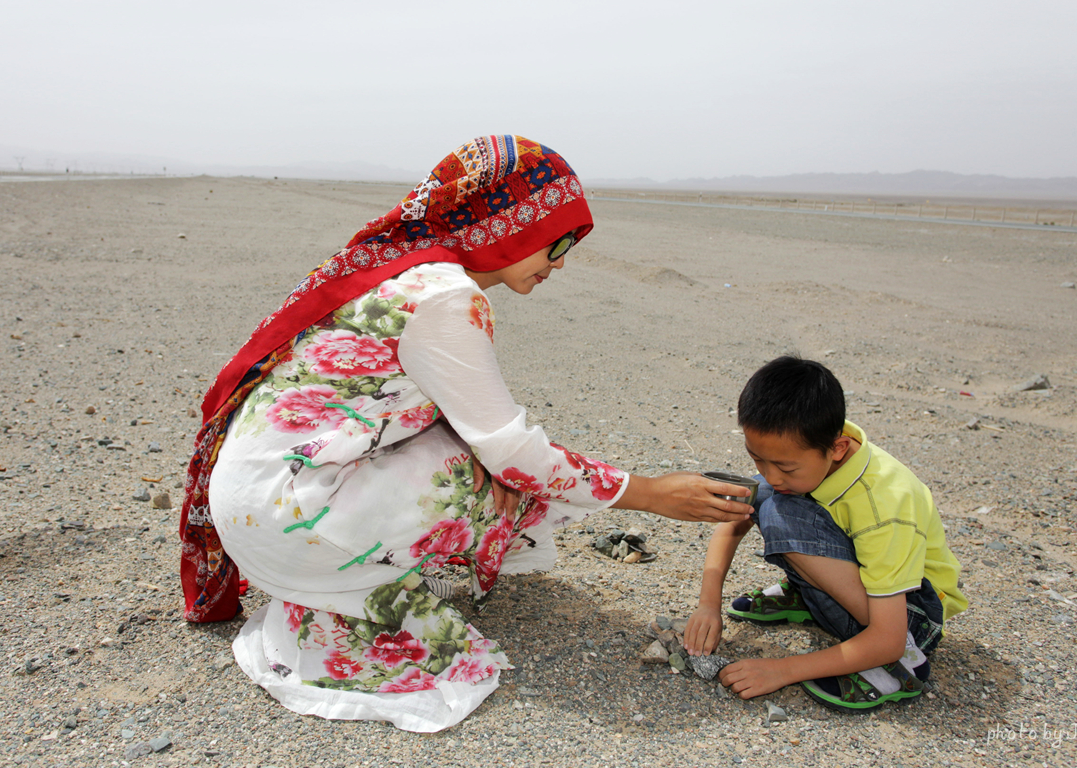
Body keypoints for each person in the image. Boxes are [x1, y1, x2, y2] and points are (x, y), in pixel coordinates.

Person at [180, 135, 749, 732]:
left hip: (252, 506)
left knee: (485, 454)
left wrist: (492, 457)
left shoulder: (404, 272)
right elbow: (518, 452)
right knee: (505, 465)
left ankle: (338, 580)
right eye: (557, 244)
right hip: (291, 524)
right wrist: (653, 493)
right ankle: (344, 591)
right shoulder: (446, 296)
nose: (560, 264)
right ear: (507, 227)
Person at [682, 355, 966, 711]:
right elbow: (734, 519)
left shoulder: (885, 506)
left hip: (912, 616)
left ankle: (905, 666)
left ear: (838, 449)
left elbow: (887, 638)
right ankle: (809, 593)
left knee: (779, 510)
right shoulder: (813, 439)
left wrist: (784, 669)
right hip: (874, 591)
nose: (770, 474)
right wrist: (709, 605)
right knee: (764, 496)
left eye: (785, 466)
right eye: (758, 459)